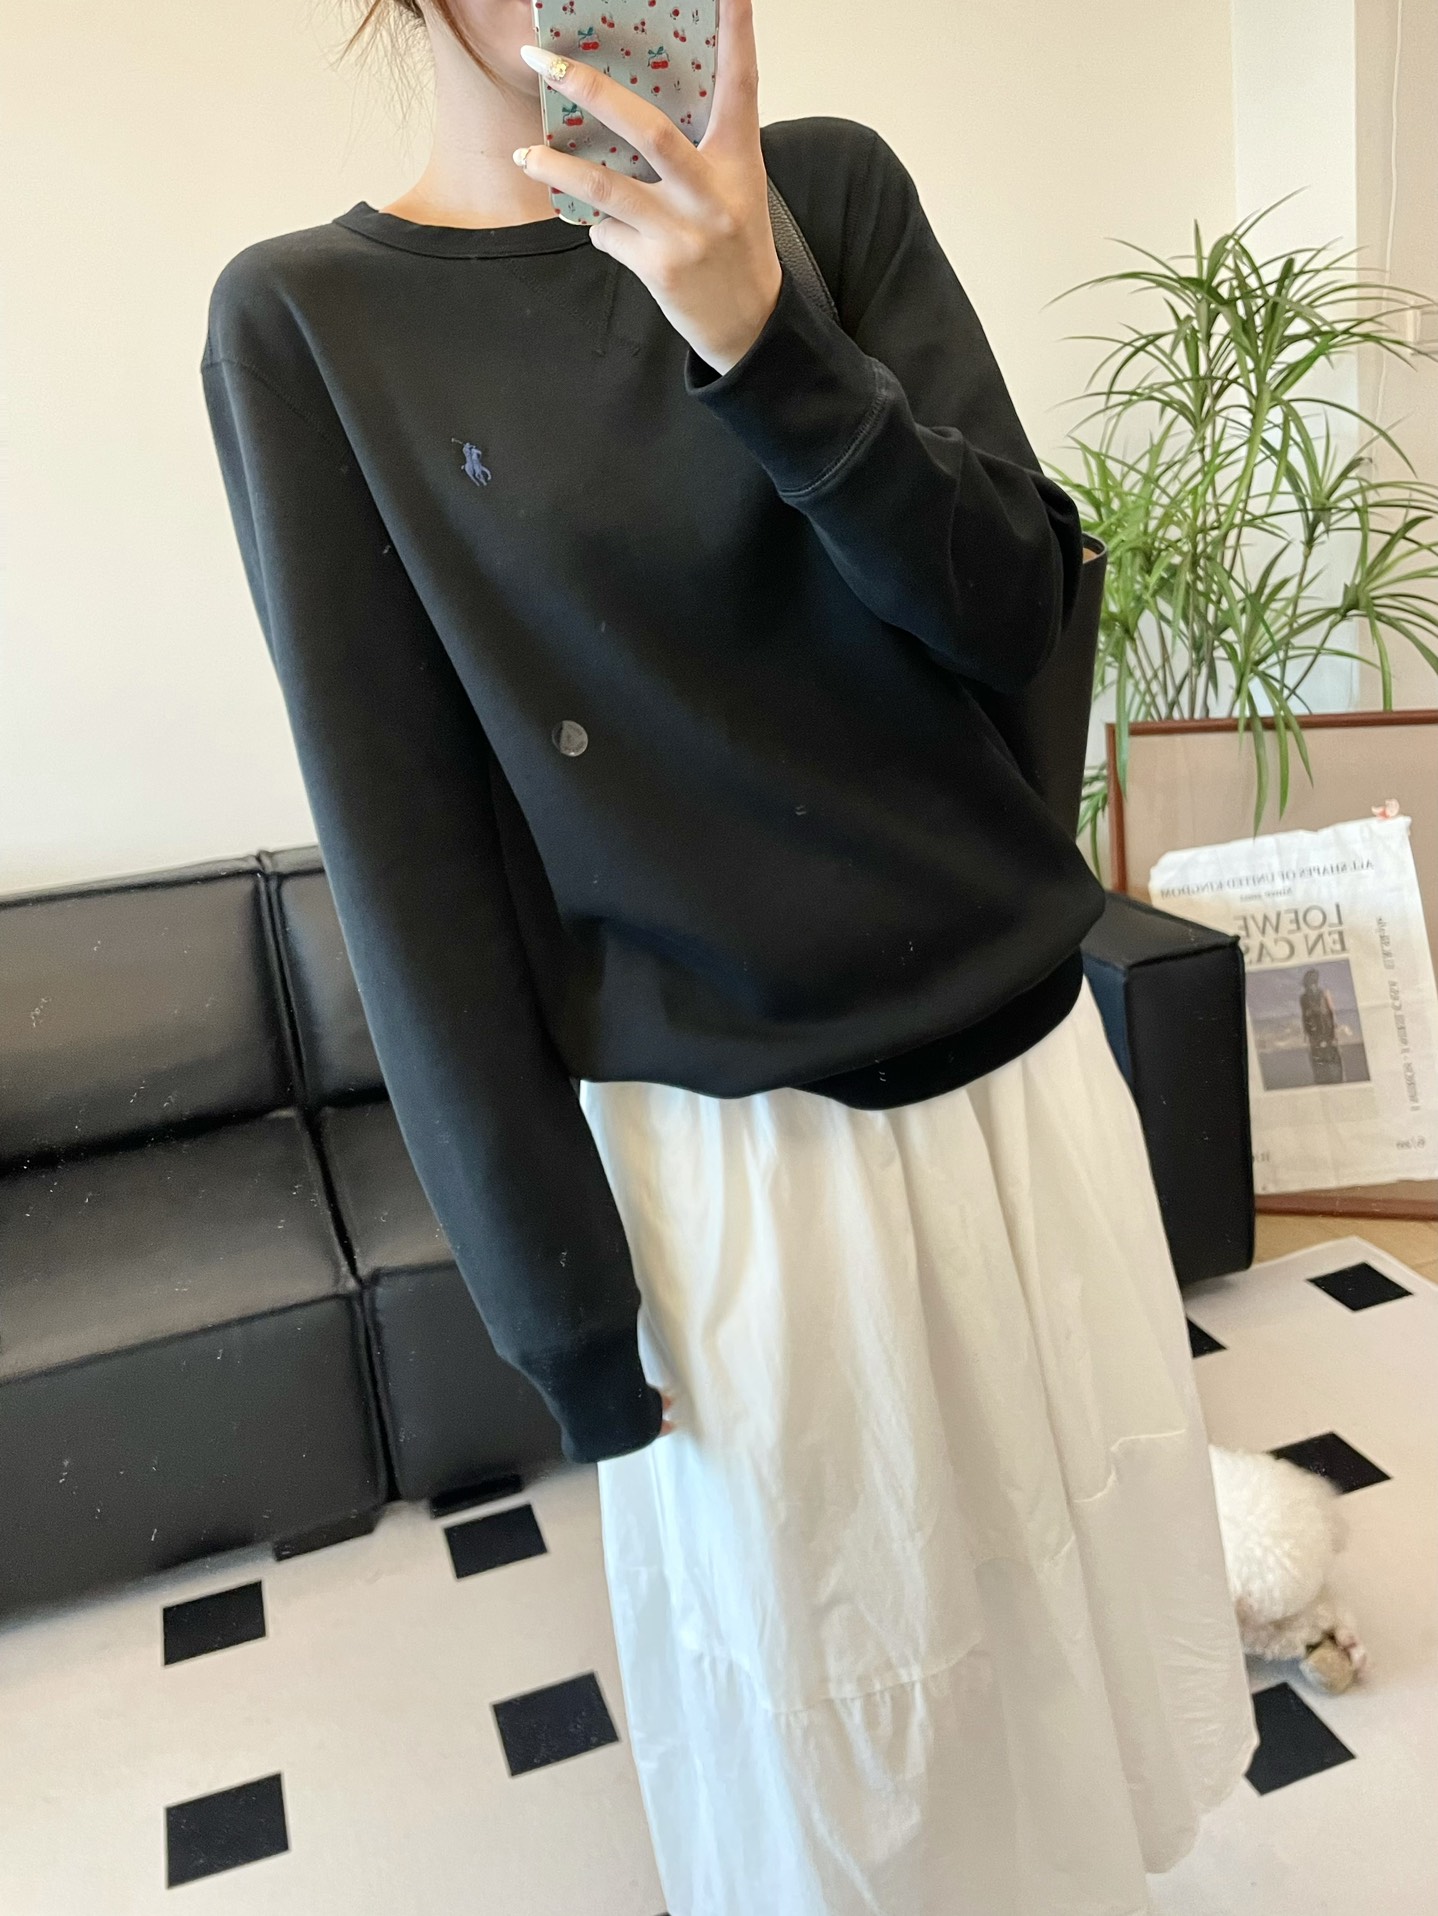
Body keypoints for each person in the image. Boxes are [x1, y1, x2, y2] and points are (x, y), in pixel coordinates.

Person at [200, 2, 1258, 1908]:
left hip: (1025, 1093)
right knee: (850, 1740)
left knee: (1069, 1659)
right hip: (734, 1176)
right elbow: (408, 862)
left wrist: (761, 336)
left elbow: (1018, 618)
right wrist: (556, 1306)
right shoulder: (310, 324)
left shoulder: (826, 196)